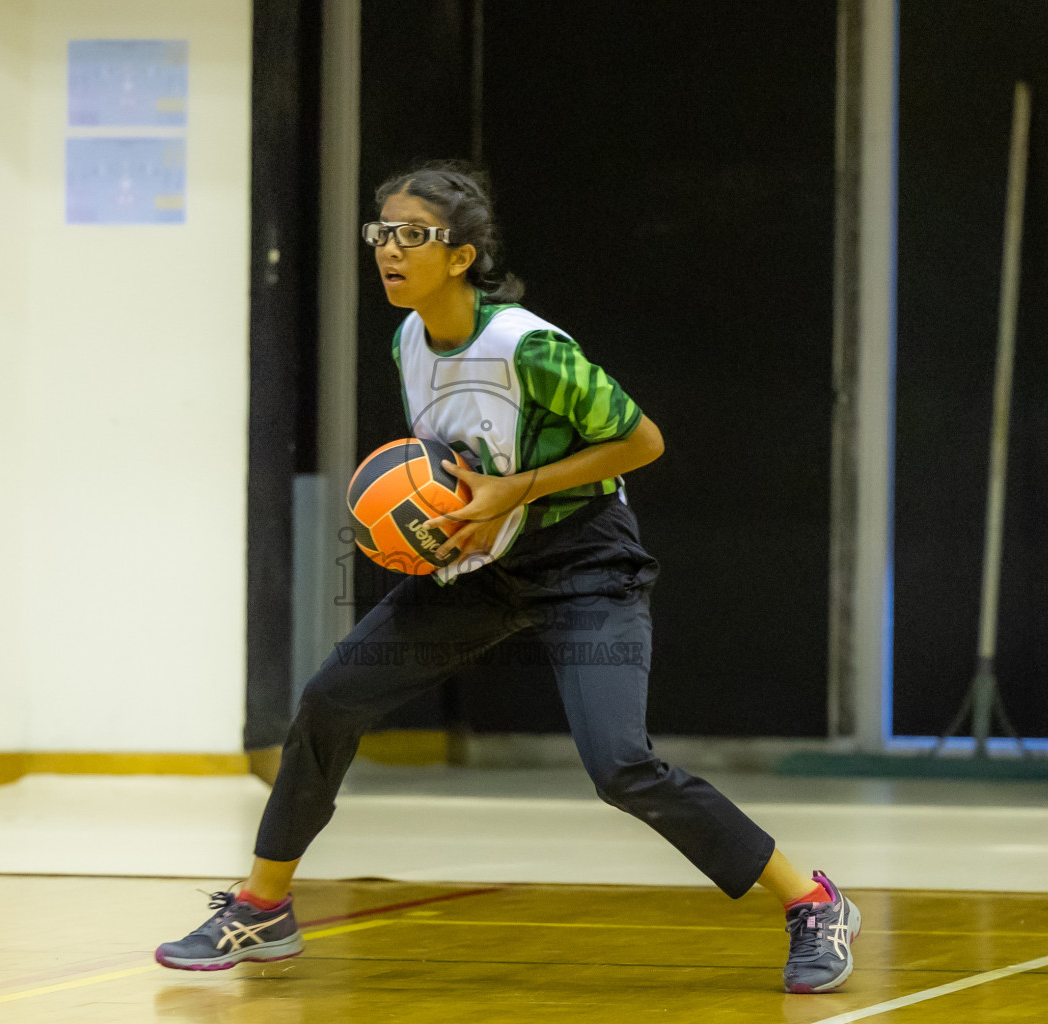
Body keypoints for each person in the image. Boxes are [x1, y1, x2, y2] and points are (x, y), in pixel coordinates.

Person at [155, 162, 860, 994]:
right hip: (485, 566)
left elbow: (643, 443)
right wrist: (428, 525)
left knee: (621, 767)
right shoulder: (408, 337)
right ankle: (262, 908)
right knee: (330, 699)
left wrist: (511, 493)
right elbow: (455, 462)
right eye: (381, 234)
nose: (389, 250)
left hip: (586, 562)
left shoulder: (528, 346)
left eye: (411, 235)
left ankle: (812, 902)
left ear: (461, 255)